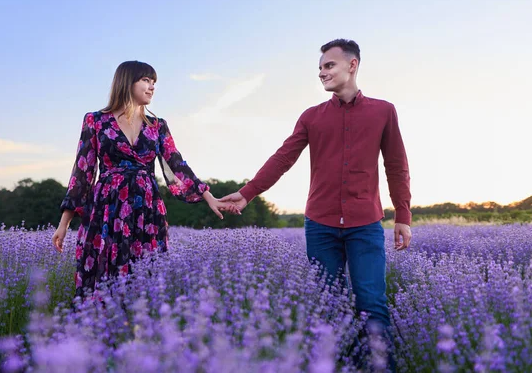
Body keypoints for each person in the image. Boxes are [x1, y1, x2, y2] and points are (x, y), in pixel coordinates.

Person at [219, 39, 411, 369]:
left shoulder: (383, 111)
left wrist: (403, 215)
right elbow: (283, 158)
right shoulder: (311, 117)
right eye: (320, 68)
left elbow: (396, 164)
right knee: (331, 309)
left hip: (364, 225)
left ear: (352, 65)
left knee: (372, 304)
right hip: (320, 226)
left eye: (329, 65)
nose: (322, 72)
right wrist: (248, 192)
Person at [52, 61, 234, 298]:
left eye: (154, 83)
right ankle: (100, 329)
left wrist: (208, 196)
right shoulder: (95, 121)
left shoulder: (158, 126)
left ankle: (145, 329)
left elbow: (177, 163)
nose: (151, 87)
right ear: (127, 82)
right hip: (107, 208)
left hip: (146, 209)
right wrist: (63, 223)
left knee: (146, 274)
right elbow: (82, 172)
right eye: (146, 81)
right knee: (104, 273)